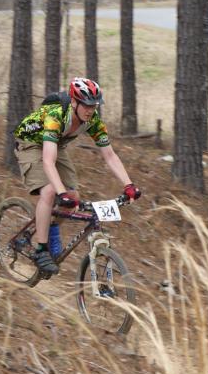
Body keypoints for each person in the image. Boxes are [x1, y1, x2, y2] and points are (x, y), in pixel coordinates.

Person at [12, 77, 142, 277]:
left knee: (73, 198)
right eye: (87, 105)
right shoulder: (55, 116)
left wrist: (129, 185)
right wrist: (59, 191)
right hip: (30, 143)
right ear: (74, 102)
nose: (90, 109)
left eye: (94, 104)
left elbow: (109, 154)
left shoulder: (93, 121)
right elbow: (47, 161)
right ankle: (41, 250)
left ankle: (51, 228)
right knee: (49, 191)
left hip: (56, 144)